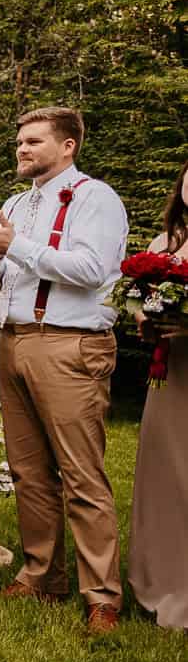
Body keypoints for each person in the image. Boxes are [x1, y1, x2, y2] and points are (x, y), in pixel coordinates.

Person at [0, 106, 127, 635]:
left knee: (82, 474)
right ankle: (42, 574)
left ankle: (102, 594)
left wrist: (15, 245)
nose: (22, 149)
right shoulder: (17, 202)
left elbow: (90, 270)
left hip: (71, 345)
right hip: (14, 341)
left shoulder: (95, 199)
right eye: (19, 141)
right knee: (29, 472)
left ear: (68, 147)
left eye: (34, 141)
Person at [127, 157, 188, 631]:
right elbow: (134, 300)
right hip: (171, 375)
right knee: (168, 475)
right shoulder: (164, 246)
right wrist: (145, 320)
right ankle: (162, 580)